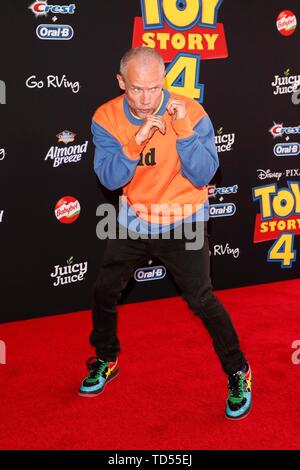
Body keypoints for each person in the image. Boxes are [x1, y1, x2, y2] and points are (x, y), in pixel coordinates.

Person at [78, 46, 252, 420]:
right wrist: (137, 139)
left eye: (155, 88)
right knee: (104, 291)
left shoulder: (192, 112)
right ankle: (106, 358)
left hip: (183, 216)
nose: (146, 99)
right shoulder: (106, 117)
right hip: (134, 217)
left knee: (202, 299)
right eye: (137, 89)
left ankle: (238, 371)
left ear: (164, 83)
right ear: (121, 82)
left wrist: (184, 129)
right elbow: (110, 178)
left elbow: (204, 175)